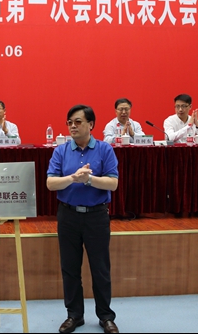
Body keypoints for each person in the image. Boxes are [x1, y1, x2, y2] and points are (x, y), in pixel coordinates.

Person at [47, 105, 120, 334]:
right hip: (68, 215)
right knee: (70, 268)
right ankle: (74, 315)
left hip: (96, 216)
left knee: (100, 269)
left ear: (91, 124)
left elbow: (113, 183)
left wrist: (88, 180)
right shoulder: (61, 151)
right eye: (69, 122)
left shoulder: (105, 149)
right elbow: (51, 183)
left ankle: (106, 317)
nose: (73, 126)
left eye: (78, 122)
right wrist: (73, 178)